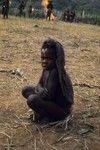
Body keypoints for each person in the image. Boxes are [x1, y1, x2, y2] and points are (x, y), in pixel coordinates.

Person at [22, 38, 74, 123]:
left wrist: (40, 91)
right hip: (50, 102)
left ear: (56, 59)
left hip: (61, 111)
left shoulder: (55, 72)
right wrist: (40, 89)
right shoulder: (46, 69)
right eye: (42, 58)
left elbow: (48, 96)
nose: (44, 61)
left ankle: (46, 116)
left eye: (49, 58)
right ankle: (44, 114)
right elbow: (39, 84)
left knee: (32, 99)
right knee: (25, 90)